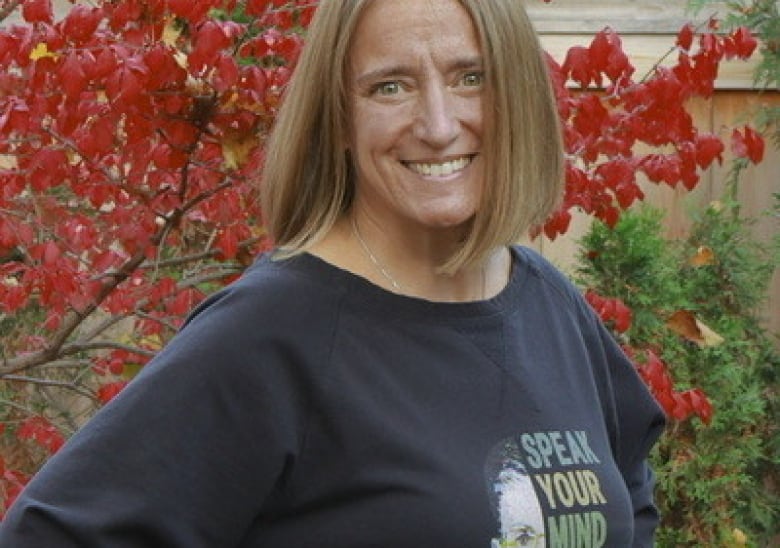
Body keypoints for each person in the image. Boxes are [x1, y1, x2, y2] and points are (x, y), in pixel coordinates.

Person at [0, 0, 666, 546]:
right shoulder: (271, 334)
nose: (438, 124)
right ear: (340, 121)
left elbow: (627, 502)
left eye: (472, 77)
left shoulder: (548, 306)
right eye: (390, 86)